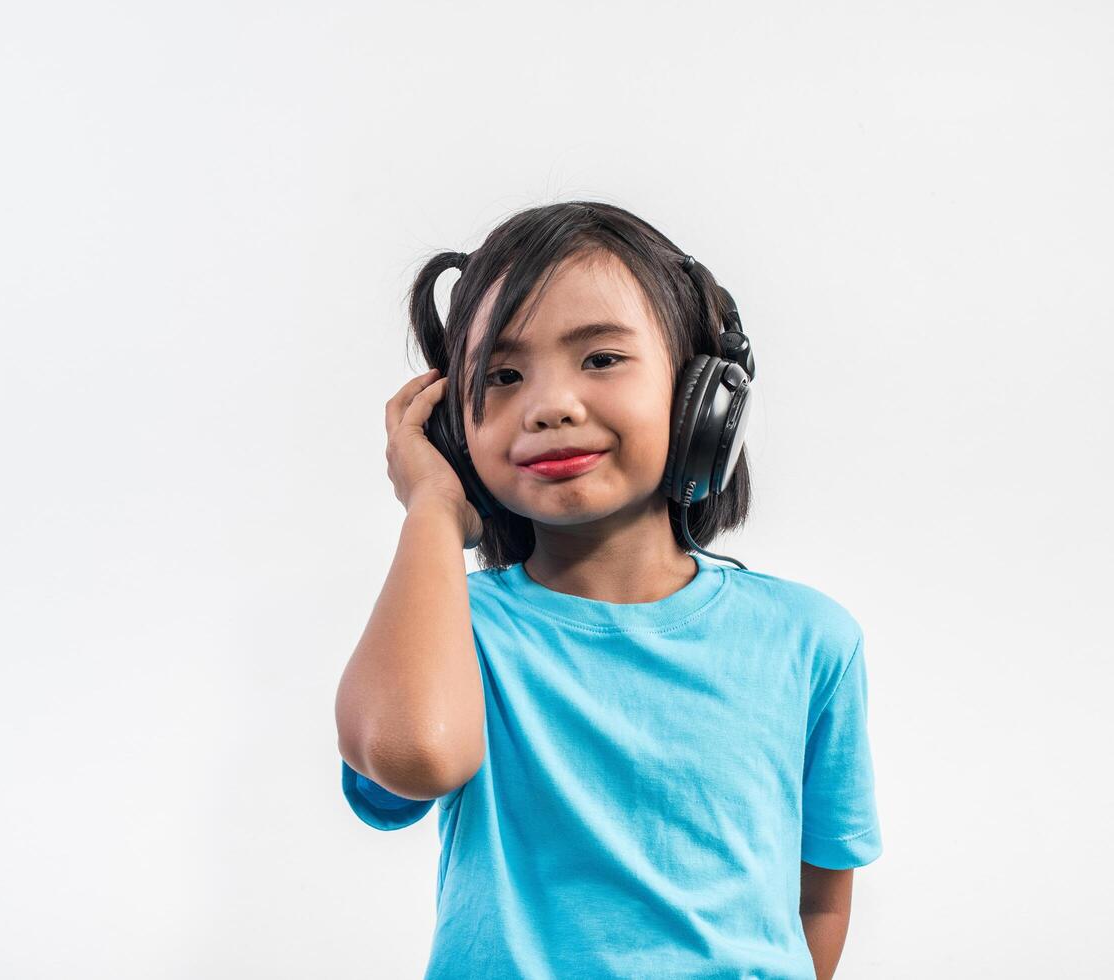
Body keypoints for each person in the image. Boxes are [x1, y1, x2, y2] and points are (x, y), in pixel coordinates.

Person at [333, 201, 882, 979]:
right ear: (454, 432)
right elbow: (414, 755)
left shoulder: (807, 638)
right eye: (502, 375)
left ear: (703, 397)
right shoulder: (451, 633)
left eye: (599, 360)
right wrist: (431, 507)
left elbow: (819, 898)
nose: (550, 404)